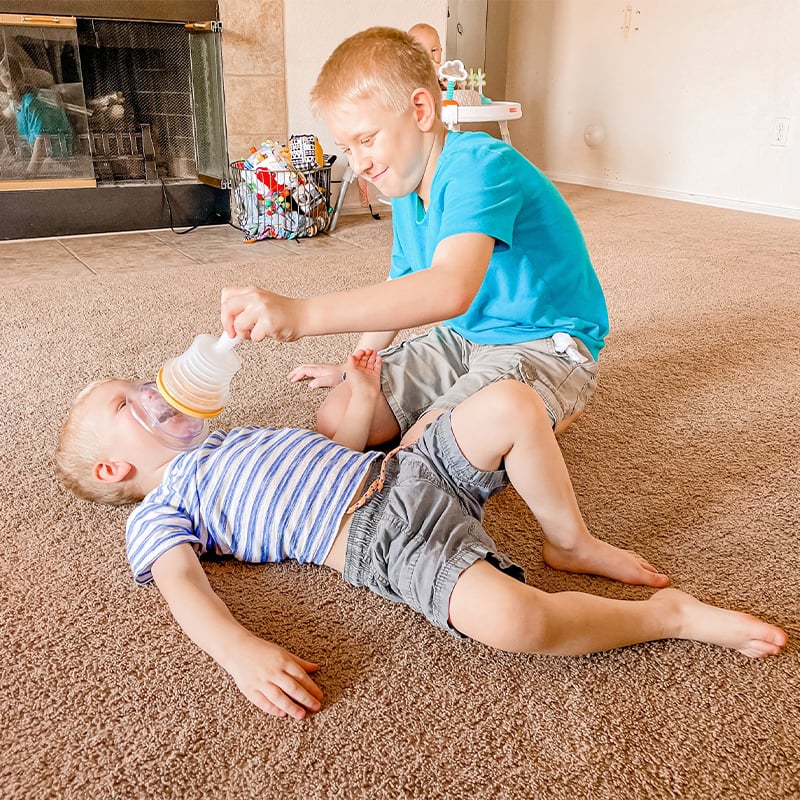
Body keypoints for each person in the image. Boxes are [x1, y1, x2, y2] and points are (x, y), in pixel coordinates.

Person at [55, 353, 787, 721]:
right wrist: (236, 649)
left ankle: (574, 541)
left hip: (403, 468)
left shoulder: (234, 435)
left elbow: (338, 445)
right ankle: (667, 616)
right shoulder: (160, 508)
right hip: (378, 539)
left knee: (509, 400)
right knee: (512, 619)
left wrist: (366, 396)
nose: (149, 390)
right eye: (127, 401)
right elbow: (183, 585)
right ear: (115, 466)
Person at [220, 26, 609, 451]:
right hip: (465, 337)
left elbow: (449, 287)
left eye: (367, 140)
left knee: (427, 450)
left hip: (539, 342)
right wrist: (353, 368)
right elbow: (400, 291)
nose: (360, 163)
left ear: (421, 110)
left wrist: (300, 315)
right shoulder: (405, 188)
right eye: (348, 148)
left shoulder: (480, 165)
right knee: (338, 417)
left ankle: (552, 404)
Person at [0, 53, 73, 178]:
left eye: (8, 81)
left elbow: (42, 143)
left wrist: (29, 175)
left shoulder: (33, 103)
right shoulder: (18, 101)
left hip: (58, 161)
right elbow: (5, 115)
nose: (8, 91)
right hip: (40, 158)